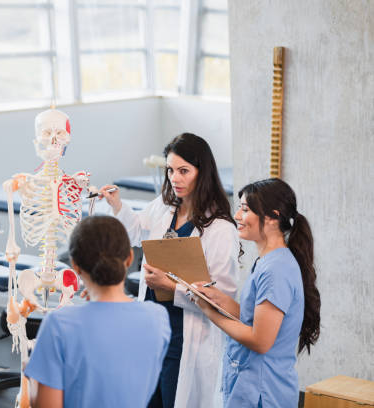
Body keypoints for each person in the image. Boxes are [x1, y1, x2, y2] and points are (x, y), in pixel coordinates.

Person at [98, 133, 240, 408]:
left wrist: (171, 286)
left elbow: (222, 298)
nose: (175, 178)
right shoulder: (165, 207)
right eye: (171, 170)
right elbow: (137, 231)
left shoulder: (221, 229)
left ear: (203, 173)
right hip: (153, 333)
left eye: (184, 171)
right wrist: (117, 205)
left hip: (185, 338)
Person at [194, 178, 321, 407]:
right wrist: (218, 299)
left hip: (263, 391)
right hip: (252, 385)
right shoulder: (269, 261)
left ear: (272, 217)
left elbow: (260, 341)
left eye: (245, 209)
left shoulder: (276, 270)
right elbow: (254, 318)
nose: (238, 216)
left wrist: (210, 313)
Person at [25, 215, 170, 408]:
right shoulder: (158, 317)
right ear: (129, 258)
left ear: (75, 266)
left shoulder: (59, 324)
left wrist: (33, 378)